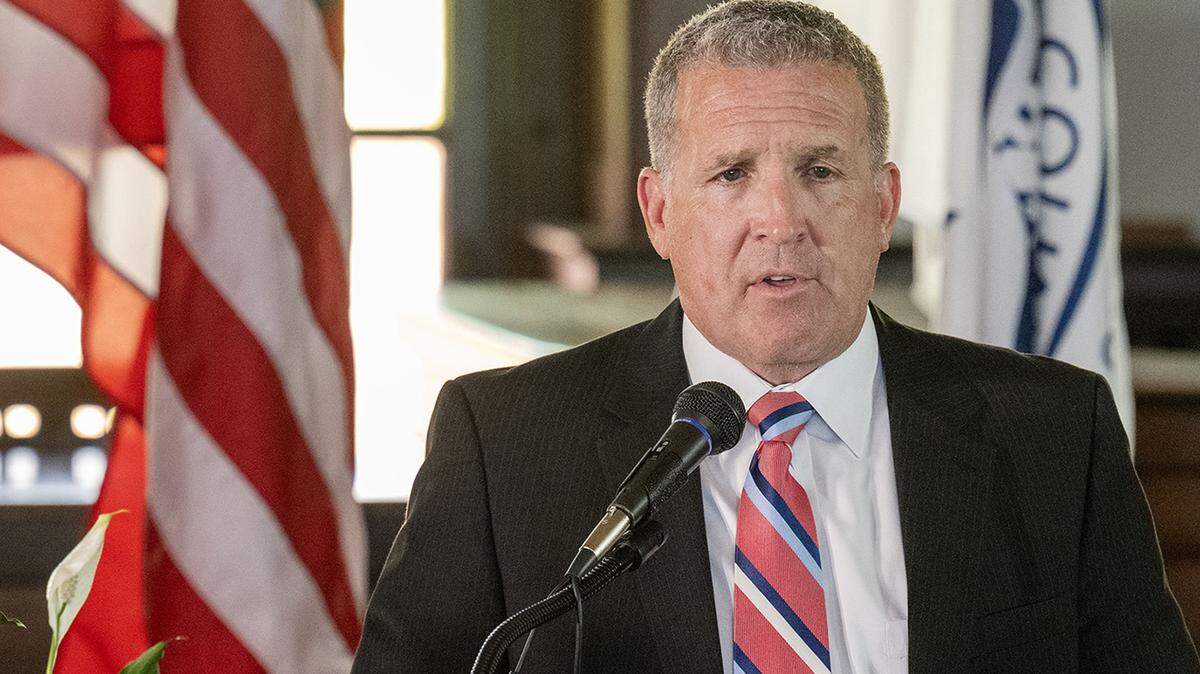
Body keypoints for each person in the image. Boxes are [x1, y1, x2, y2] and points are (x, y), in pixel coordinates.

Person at [353, 1, 1198, 672]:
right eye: (730, 174)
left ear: (881, 204)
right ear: (658, 212)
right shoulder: (507, 445)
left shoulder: (1054, 432)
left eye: (820, 171)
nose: (780, 220)